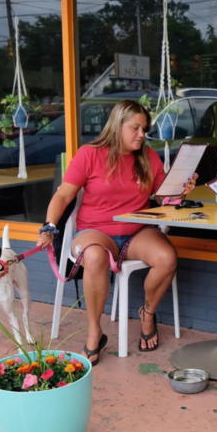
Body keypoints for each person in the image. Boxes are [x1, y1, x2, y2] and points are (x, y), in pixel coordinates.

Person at [37, 100, 197, 366]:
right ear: (117, 125)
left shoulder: (148, 156)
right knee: (95, 257)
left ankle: (147, 313)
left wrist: (181, 191)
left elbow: (162, 196)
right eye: (135, 128)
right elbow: (63, 195)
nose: (141, 134)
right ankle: (94, 331)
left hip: (136, 231)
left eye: (144, 128)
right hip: (95, 231)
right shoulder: (89, 154)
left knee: (167, 257)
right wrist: (49, 226)